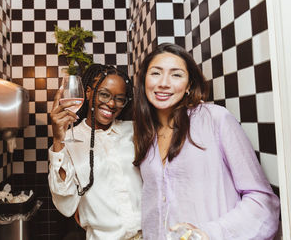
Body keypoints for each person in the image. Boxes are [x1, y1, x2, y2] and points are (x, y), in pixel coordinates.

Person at [132, 43, 280, 240]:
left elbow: (264, 203)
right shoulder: (144, 134)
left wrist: (209, 234)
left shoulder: (215, 119)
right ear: (144, 81)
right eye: (156, 73)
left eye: (176, 75)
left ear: (189, 85)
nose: (164, 83)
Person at [48, 64, 143, 240]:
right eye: (104, 94)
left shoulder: (135, 131)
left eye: (120, 98)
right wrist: (58, 139)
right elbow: (66, 205)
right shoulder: (68, 140)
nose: (112, 104)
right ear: (89, 92)